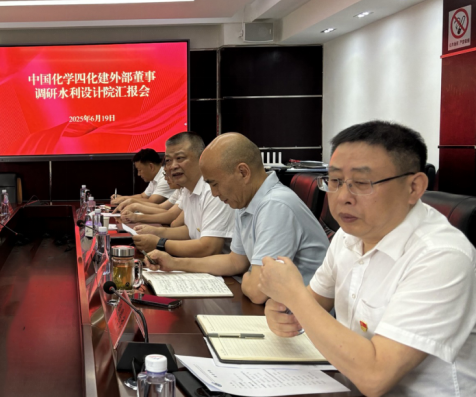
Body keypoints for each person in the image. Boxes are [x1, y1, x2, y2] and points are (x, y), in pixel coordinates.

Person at [259, 122, 475, 396]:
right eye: (335, 181)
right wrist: (284, 311)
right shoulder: (348, 235)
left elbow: (375, 377)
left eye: (361, 183)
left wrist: (294, 295)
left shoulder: (441, 256)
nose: (342, 197)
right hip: (347, 384)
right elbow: (310, 305)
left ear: (414, 187)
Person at [145, 133, 328, 304]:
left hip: (306, 318)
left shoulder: (276, 205)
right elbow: (235, 262)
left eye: (215, 184)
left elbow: (257, 291)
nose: (214, 193)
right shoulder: (245, 202)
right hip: (280, 310)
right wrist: (173, 263)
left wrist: (248, 276)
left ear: (243, 172)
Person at [131, 132, 235, 258]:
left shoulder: (213, 190)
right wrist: (155, 231)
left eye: (180, 158)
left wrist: (160, 243)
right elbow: (190, 231)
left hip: (221, 268)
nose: (173, 166)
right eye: (168, 160)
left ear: (201, 158)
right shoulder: (187, 189)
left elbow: (210, 248)